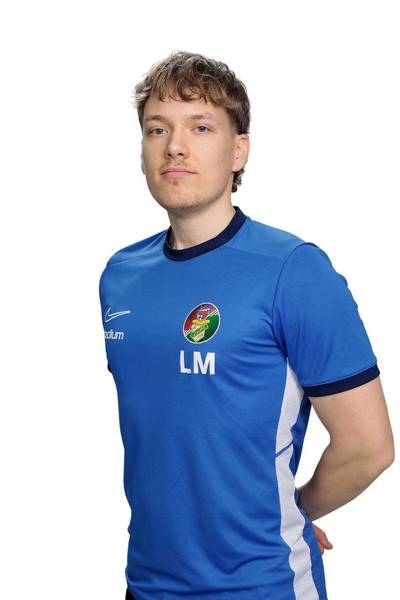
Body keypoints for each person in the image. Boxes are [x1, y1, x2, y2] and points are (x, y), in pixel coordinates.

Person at [99, 51, 394, 600]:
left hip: (263, 585)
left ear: (239, 151)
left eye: (200, 127)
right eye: (157, 129)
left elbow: (368, 447)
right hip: (147, 585)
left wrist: (290, 513)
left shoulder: (295, 271)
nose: (175, 146)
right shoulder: (120, 276)